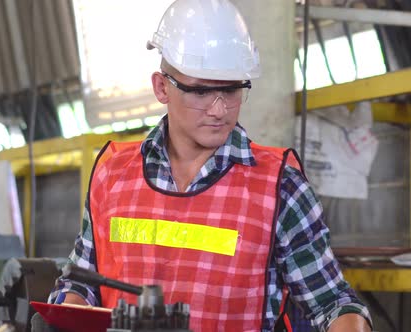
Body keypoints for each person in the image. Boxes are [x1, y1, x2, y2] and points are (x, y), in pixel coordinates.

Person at [48, 0, 373, 331]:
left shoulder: (280, 187)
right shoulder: (113, 173)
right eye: (201, 91)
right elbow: (80, 282)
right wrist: (71, 308)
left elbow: (332, 302)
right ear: (162, 87)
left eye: (231, 90)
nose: (219, 110)